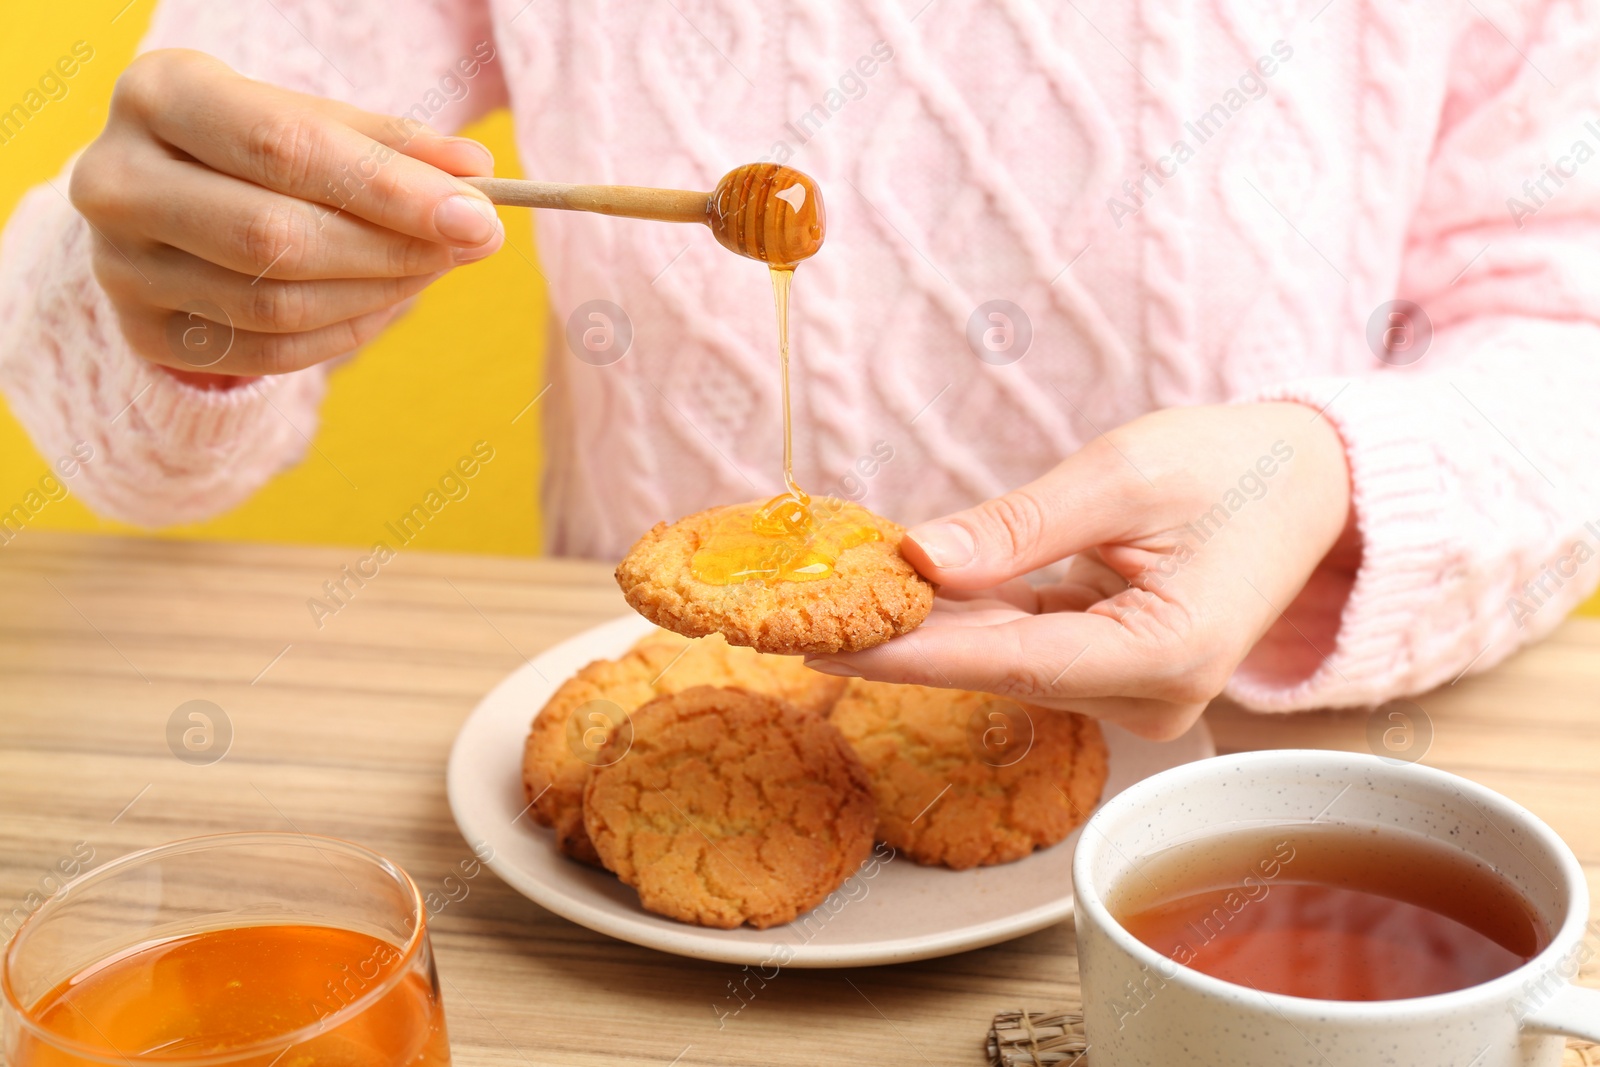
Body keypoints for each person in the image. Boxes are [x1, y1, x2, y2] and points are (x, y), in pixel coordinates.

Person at [2, 1, 1596, 740]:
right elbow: (135, 432)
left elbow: (1568, 333)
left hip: (1265, 790)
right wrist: (166, 286)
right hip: (651, 803)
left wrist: (1313, 477)